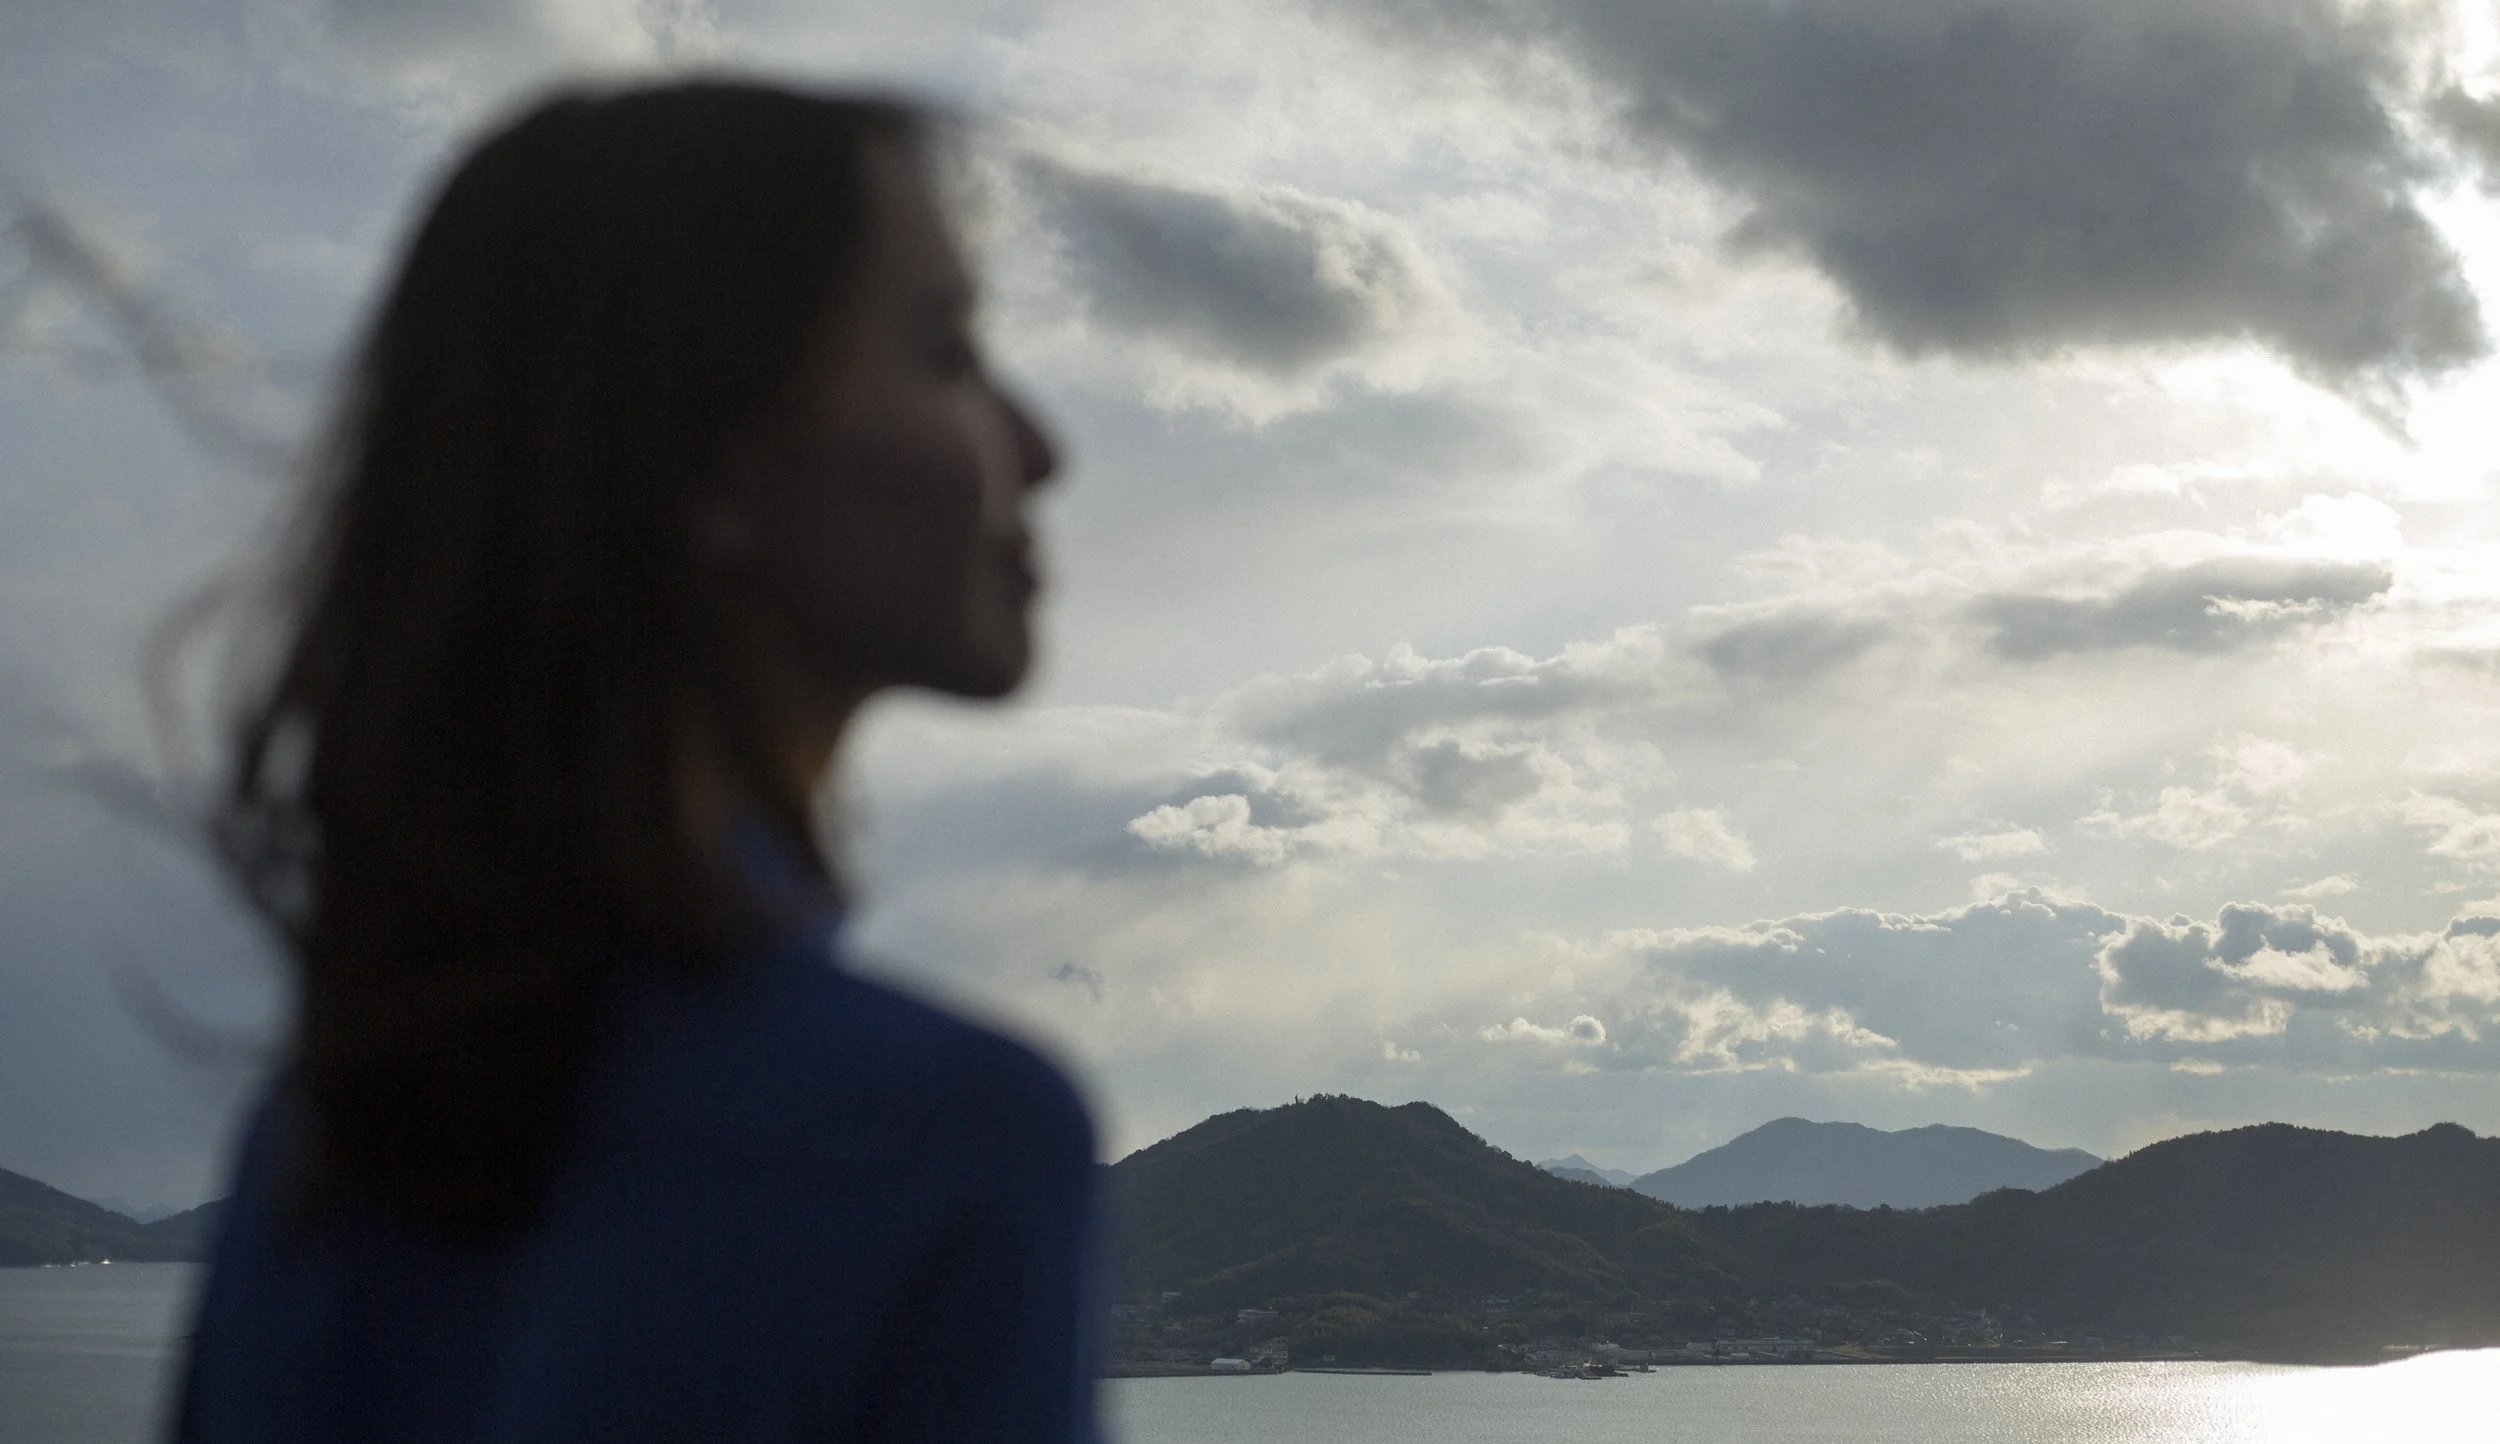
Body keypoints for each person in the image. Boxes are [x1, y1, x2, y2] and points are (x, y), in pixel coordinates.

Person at [173, 79, 1102, 1442]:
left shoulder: (325, 1144)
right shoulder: (945, 1140)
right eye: (947, 350)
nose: (1040, 448)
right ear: (710, 459)